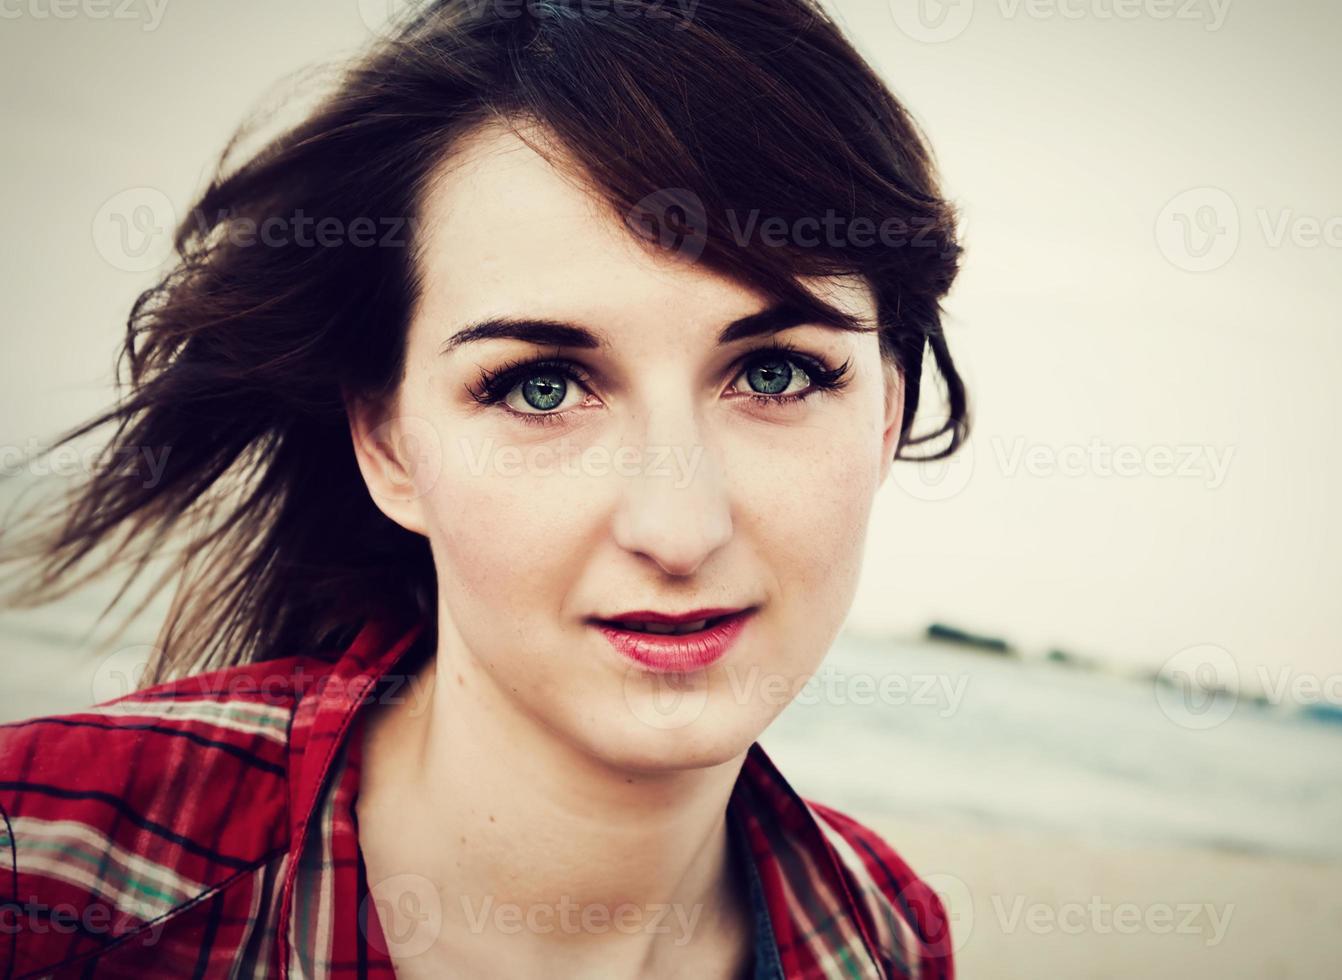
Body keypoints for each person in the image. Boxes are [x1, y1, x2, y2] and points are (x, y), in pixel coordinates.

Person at [0, 0, 971, 976]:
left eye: (775, 373)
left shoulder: (887, 936)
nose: (678, 527)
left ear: (886, 411)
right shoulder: (43, 863)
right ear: (387, 442)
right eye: (540, 387)